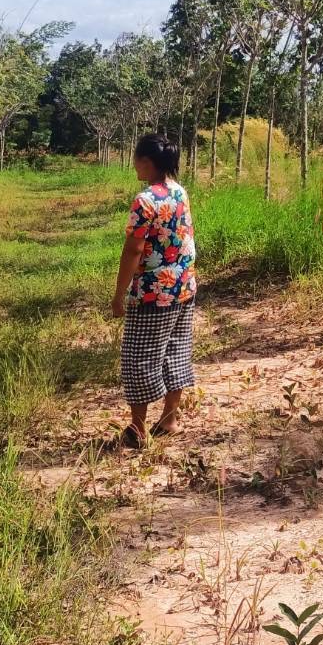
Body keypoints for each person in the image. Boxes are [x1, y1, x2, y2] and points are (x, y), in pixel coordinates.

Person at [111, 133, 197, 448]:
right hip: (184, 286)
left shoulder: (145, 200)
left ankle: (138, 429)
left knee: (140, 357)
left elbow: (133, 251)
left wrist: (119, 296)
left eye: (136, 159)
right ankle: (170, 418)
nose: (134, 165)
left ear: (146, 162)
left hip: (152, 292)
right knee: (175, 351)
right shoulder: (180, 192)